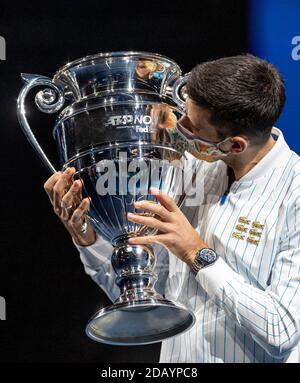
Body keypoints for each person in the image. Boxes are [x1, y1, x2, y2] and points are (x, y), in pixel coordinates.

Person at [44, 54, 300, 363]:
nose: (179, 128)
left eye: (192, 127)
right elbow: (147, 300)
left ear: (235, 145)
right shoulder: (192, 168)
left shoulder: (294, 193)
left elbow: (281, 331)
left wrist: (197, 253)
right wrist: (89, 239)